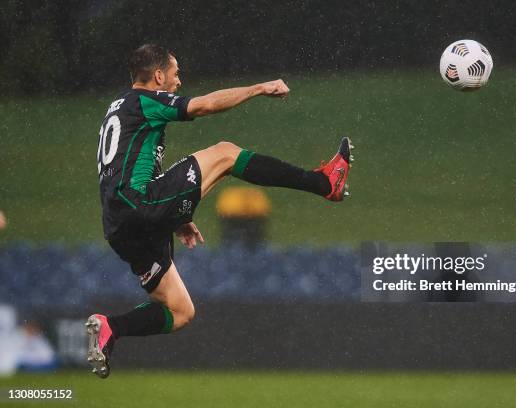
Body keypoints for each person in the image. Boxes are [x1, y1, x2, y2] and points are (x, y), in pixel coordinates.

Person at [87, 44, 354, 378]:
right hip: (141, 206)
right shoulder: (144, 100)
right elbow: (205, 106)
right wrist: (258, 88)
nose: (179, 80)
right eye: (175, 72)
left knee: (180, 310)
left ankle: (110, 327)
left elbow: (128, 170)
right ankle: (323, 183)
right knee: (226, 153)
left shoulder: (118, 108)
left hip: (120, 227)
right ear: (158, 76)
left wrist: (176, 215)